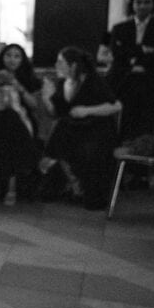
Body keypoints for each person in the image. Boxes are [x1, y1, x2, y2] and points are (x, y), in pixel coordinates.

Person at [41, 46, 122, 210]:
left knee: (82, 147)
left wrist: (87, 111)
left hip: (97, 129)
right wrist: (46, 97)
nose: (57, 65)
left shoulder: (92, 81)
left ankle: (84, 189)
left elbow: (116, 106)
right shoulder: (63, 83)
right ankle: (72, 184)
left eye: (61, 62)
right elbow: (58, 112)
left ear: (73, 66)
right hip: (75, 129)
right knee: (60, 135)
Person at [108, 0, 154, 188]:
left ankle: (143, 173)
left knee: (147, 128)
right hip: (126, 85)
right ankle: (126, 172)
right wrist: (143, 51)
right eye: (138, 2)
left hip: (152, 87)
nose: (142, 6)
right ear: (132, 4)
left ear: (153, 4)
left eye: (146, 2)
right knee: (126, 127)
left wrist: (135, 55)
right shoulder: (120, 28)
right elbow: (118, 56)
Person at [0, 44, 42, 205]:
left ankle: (9, 187)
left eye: (17, 56)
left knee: (11, 121)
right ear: (2, 57)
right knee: (6, 117)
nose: (12, 59)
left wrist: (18, 86)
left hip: (22, 124)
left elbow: (34, 105)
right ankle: (17, 180)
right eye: (9, 55)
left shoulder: (28, 78)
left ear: (22, 59)